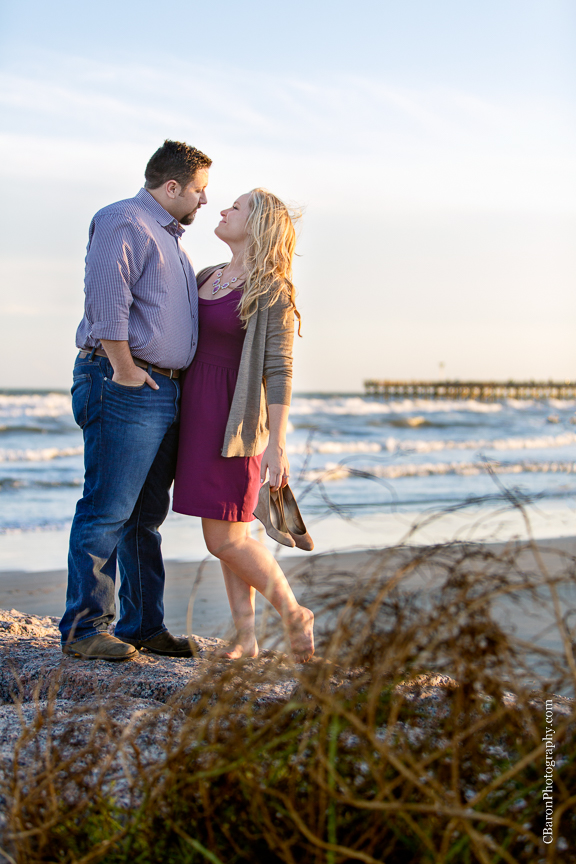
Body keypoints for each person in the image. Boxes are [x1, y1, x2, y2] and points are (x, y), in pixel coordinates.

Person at [59, 140, 211, 661]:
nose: (204, 201)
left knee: (145, 516)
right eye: (199, 190)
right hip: (126, 381)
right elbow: (107, 297)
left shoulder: (172, 239)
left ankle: (143, 624)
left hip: (160, 388)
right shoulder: (126, 220)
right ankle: (84, 630)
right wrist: (124, 369)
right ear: (172, 187)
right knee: (107, 510)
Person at [172, 189, 314, 662]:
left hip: (235, 421)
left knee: (225, 538)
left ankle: (295, 613)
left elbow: (279, 368)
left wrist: (278, 443)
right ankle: (246, 639)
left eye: (237, 207)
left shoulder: (272, 288)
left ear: (259, 226)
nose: (224, 210)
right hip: (195, 415)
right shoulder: (205, 277)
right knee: (231, 536)